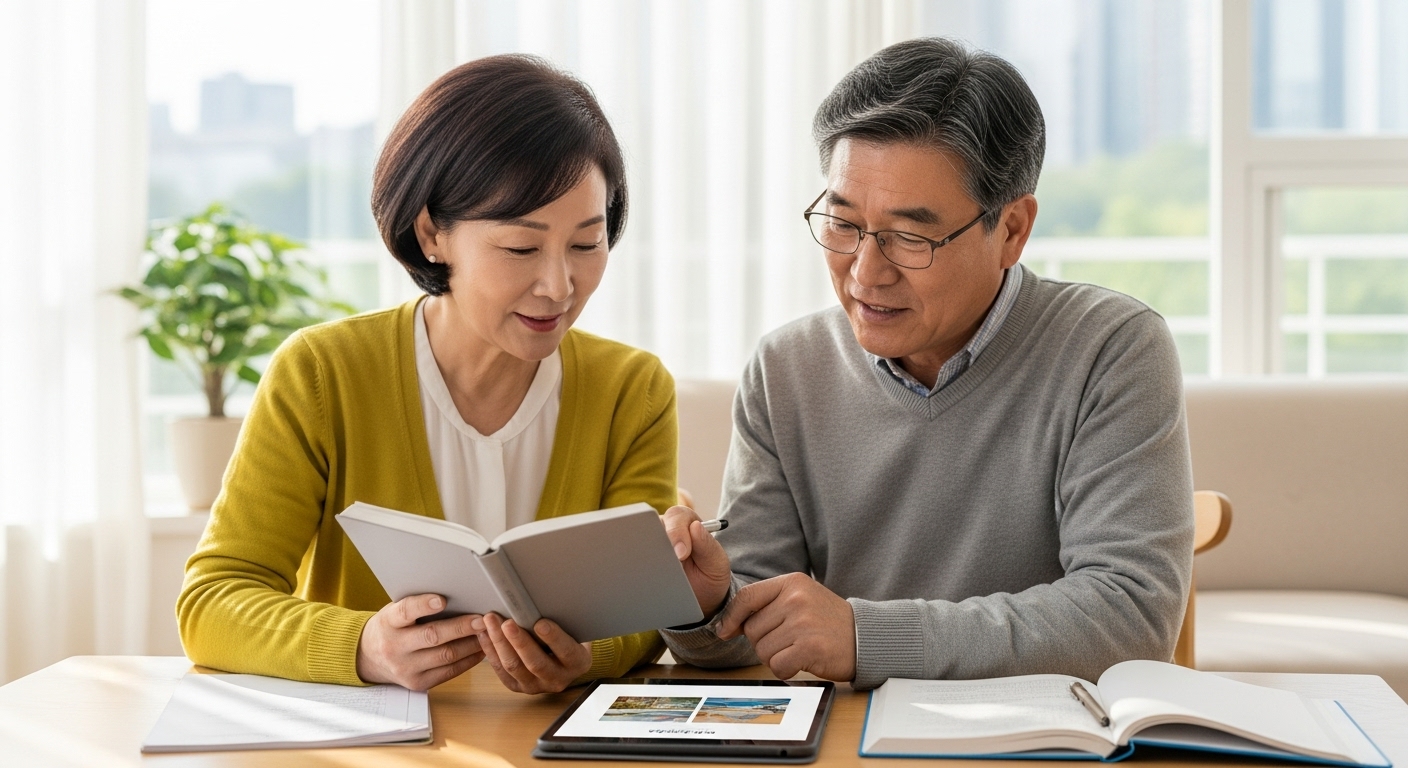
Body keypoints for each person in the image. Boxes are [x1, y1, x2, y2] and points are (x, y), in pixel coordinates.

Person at [661, 37, 1195, 690]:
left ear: (1012, 230)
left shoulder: (1110, 349)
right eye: (842, 221)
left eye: (910, 237)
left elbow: (1129, 616)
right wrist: (706, 604)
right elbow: (748, 633)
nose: (865, 271)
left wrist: (866, 637)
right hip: (842, 745)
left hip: (1036, 744)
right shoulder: (786, 368)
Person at [178, 55, 677, 693]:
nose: (559, 286)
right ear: (431, 234)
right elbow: (213, 601)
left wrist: (590, 655)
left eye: (587, 242)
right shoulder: (323, 374)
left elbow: (642, 611)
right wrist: (363, 647)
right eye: (521, 248)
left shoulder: (632, 391)